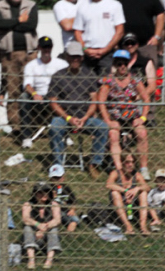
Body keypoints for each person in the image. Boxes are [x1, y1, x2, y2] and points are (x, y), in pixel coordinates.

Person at [47, 41, 109, 178]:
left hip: (84, 117)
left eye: (77, 56)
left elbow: (95, 100)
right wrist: (68, 118)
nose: (75, 59)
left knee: (103, 128)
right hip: (65, 117)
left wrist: (86, 117)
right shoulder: (58, 76)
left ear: (81, 58)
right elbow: (53, 102)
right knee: (54, 128)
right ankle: (57, 166)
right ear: (67, 57)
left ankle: (94, 163)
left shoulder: (90, 75)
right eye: (72, 56)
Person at [98, 48, 154, 179]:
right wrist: (108, 121)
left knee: (142, 133)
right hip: (115, 116)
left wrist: (143, 117)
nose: (122, 66)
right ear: (115, 65)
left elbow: (146, 98)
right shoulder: (108, 81)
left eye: (124, 63)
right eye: (119, 63)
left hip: (132, 116)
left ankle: (143, 168)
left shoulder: (135, 80)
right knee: (113, 134)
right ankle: (119, 169)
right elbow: (101, 102)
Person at [0, 0, 38, 131]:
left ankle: (34, 124)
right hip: (9, 55)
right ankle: (16, 126)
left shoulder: (31, 5)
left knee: (32, 89)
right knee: (13, 91)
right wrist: (19, 20)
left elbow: (31, 25)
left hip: (30, 54)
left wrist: (10, 25)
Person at [19, 36, 67, 143]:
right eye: (44, 47)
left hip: (57, 96)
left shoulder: (62, 64)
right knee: (23, 98)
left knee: (69, 96)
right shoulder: (31, 65)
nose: (47, 50)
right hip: (39, 97)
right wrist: (34, 94)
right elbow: (27, 85)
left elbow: (68, 83)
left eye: (49, 47)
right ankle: (26, 136)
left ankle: (66, 135)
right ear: (39, 48)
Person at [107, 152, 149, 234]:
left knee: (143, 193)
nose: (130, 165)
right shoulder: (116, 173)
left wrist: (137, 188)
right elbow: (109, 184)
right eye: (127, 162)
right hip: (119, 201)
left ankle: (143, 226)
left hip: (132, 203)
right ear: (122, 163)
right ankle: (128, 226)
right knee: (114, 193)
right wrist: (125, 191)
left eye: (132, 162)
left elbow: (147, 187)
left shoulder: (136, 175)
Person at [22, 182, 61, 269]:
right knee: (27, 228)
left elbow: (57, 220)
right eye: (41, 192)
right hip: (33, 235)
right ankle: (31, 260)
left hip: (47, 235)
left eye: (46, 191)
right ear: (35, 193)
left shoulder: (54, 205)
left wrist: (45, 226)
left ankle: (49, 260)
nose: (44, 194)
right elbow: (25, 219)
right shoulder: (28, 204)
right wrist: (38, 225)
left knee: (54, 229)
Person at [118, 0, 165, 66]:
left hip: (147, 45)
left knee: (150, 73)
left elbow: (160, 14)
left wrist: (156, 37)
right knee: (122, 74)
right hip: (125, 46)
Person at [47, 164, 80, 231]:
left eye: (59, 178)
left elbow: (73, 201)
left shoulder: (66, 188)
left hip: (63, 211)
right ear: (50, 178)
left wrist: (72, 209)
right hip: (51, 210)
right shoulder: (48, 188)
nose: (57, 180)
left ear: (63, 177)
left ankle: (69, 232)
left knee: (75, 220)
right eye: (54, 178)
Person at [146, 167, 165, 233]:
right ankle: (156, 219)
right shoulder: (153, 191)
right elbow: (148, 201)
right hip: (154, 209)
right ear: (156, 181)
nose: (161, 184)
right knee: (149, 206)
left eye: (164, 181)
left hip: (164, 210)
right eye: (159, 181)